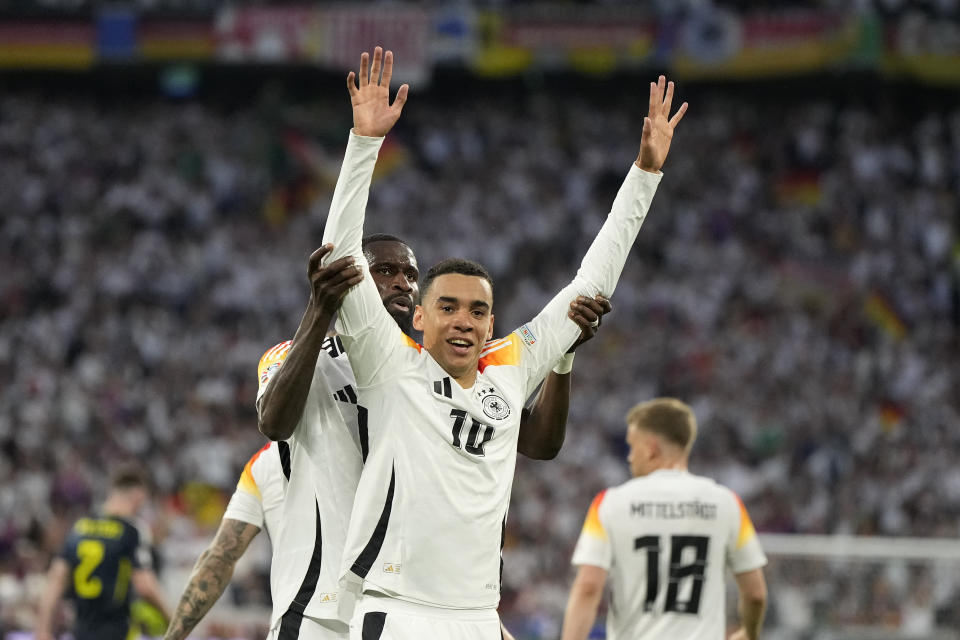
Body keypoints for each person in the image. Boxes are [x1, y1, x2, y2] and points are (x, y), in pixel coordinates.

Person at [320, 46, 686, 639]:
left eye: (478, 311)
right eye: (448, 307)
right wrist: (363, 144)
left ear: (492, 326)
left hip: (480, 617)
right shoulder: (389, 365)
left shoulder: (509, 370)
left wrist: (644, 175)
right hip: (397, 611)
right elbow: (340, 256)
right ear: (419, 318)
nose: (463, 320)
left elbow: (589, 285)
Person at [163, 243, 609, 640]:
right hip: (315, 613)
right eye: (385, 271)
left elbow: (533, 440)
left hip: (399, 607)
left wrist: (561, 354)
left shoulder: (429, 378)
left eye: (411, 276)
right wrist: (322, 310)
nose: (402, 283)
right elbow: (272, 426)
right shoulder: (298, 383)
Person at [560, 398, 768, 640]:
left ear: (651, 448)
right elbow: (756, 594)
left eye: (632, 447)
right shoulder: (727, 503)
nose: (630, 457)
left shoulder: (610, 503)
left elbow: (588, 588)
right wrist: (749, 633)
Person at [34, 466, 171, 640]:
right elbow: (145, 586)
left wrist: (42, 630)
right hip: (117, 631)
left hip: (80, 631)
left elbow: (56, 579)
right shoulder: (131, 530)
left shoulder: (80, 528)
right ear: (138, 495)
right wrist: (174, 620)